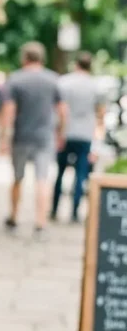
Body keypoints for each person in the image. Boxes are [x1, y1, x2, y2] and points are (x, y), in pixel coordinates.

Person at [0, 41, 66, 238]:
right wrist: (60, 134)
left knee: (18, 178)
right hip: (45, 137)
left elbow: (8, 111)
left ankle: (13, 217)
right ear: (41, 58)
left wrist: (4, 137)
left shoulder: (15, 79)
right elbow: (63, 111)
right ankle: (40, 223)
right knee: (42, 179)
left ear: (25, 57)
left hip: (22, 136)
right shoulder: (54, 80)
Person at [52, 51, 105, 223]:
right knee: (81, 174)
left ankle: (54, 209)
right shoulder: (96, 86)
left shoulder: (64, 82)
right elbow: (101, 116)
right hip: (85, 134)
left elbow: (61, 111)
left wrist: (59, 133)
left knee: (60, 172)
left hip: (66, 134)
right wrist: (97, 142)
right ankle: (75, 212)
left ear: (76, 64)